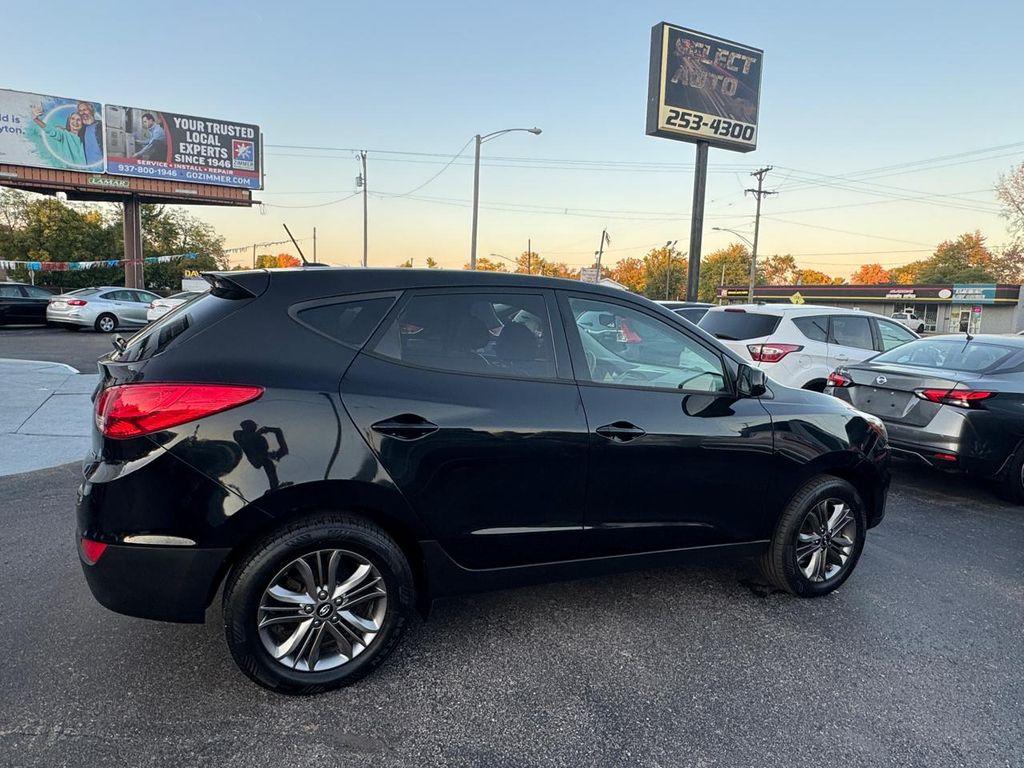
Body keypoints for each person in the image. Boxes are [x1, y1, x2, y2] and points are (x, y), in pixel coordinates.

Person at [76, 102, 103, 168]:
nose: (82, 113)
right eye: (80, 111)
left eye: (85, 110)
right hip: (88, 168)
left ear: (91, 111)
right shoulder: (81, 130)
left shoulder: (102, 126)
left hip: (103, 167)